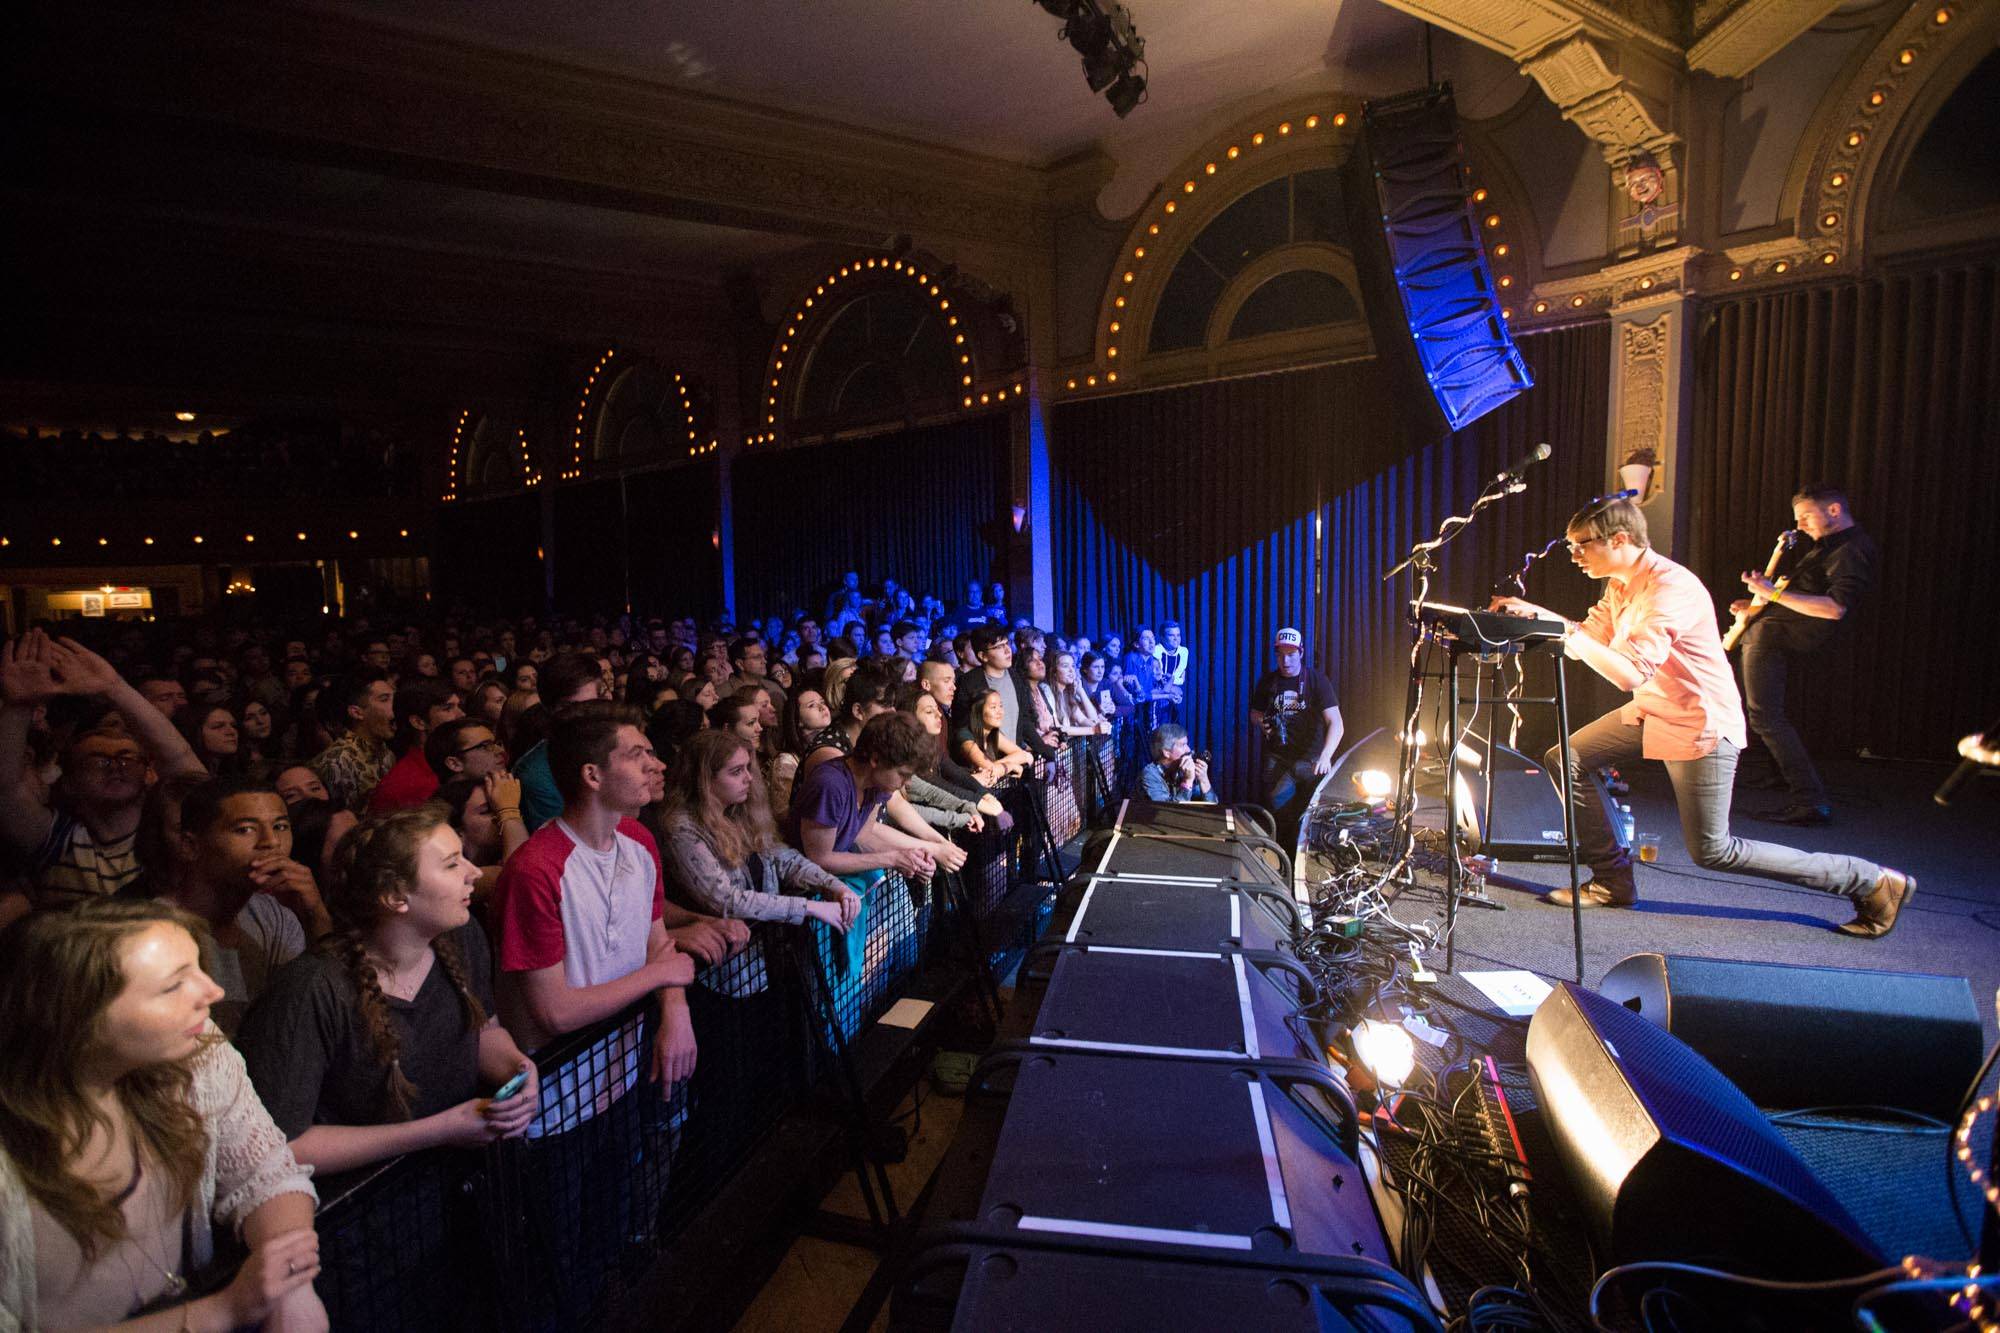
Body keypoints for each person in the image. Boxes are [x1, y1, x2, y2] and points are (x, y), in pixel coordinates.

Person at [1490, 497, 1913, 936]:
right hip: (1655, 708)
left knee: (1714, 849)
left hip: (1699, 720)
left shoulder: (1669, 587)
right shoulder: (1620, 584)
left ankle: (1870, 880)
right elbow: (1592, 639)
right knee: (1568, 757)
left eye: (1582, 545)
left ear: (1620, 539)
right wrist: (1536, 616)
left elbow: (1627, 673)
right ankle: (1612, 882)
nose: (1574, 556)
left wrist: (1561, 628)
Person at [0, 898, 326, 1331]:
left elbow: (265, 1172)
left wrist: (290, 1286)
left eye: (197, 968)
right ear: (77, 1021)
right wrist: (220, 1312)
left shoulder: (194, 1055)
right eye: (174, 986)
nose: (213, 993)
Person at [239, 807, 538, 1201]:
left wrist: (518, 1067)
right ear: (395, 896)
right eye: (451, 865)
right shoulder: (312, 989)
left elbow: (483, 1030)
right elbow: (283, 1146)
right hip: (368, 1214)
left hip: (459, 1192)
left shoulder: (460, 939)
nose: (475, 872)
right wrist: (438, 1130)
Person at [492, 702, 746, 1127]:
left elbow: (657, 942)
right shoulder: (535, 869)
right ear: (592, 775)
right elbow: (555, 1012)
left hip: (625, 1070)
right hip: (557, 1100)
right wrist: (663, 976)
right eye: (637, 756)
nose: (656, 765)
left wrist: (675, 1009)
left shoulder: (638, 838)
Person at [1, 630, 208, 906]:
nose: (115, 767)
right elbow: (5, 787)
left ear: (148, 774)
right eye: (98, 760)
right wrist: (18, 704)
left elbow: (187, 771)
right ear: (69, 780)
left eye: (127, 758)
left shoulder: (166, 839)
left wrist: (114, 688)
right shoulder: (55, 839)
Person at [120, 776, 328, 1034]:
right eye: (245, 829)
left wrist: (315, 913)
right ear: (191, 846)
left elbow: (312, 1014)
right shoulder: (153, 932)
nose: (271, 842)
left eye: (281, 826)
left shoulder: (275, 917)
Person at [1731, 484, 1880, 825]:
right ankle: (1782, 777)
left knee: (1765, 717)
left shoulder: (1851, 549)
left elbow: (1835, 607)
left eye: (1806, 517)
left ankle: (1810, 801)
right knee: (1771, 715)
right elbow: (1804, 596)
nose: (1800, 526)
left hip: (1776, 640)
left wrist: (1772, 596)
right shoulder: (1826, 548)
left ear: (1833, 511)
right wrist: (1758, 604)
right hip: (1773, 633)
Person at [656, 730, 861, 931]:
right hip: (729, 953)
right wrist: (808, 907)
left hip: (764, 941)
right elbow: (724, 899)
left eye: (747, 768)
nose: (749, 778)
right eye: (736, 771)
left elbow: (785, 858)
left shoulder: (739, 810)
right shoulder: (682, 829)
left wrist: (833, 885)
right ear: (704, 780)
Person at [785, 713, 941, 880]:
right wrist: (892, 859)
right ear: (875, 759)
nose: (908, 783)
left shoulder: (877, 787)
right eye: (903, 774)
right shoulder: (830, 785)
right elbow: (820, 859)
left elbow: (862, 838)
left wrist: (909, 857)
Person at [1248, 628, 1343, 842]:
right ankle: (1282, 863)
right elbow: (1254, 713)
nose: (1285, 660)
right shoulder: (1268, 681)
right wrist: (1262, 724)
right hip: (1278, 761)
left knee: (1311, 820)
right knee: (1279, 819)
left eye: (1291, 654)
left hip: (1311, 761)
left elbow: (1336, 722)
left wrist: (1326, 755)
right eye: (1280, 655)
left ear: (1301, 652)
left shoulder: (1316, 680)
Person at [364, 679, 464, 815]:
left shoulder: (452, 762)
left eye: (459, 706)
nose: (461, 715)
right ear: (419, 722)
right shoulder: (403, 785)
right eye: (448, 709)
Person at [308, 669, 396, 814]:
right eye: (385, 699)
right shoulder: (336, 761)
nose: (395, 705)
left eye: (394, 698)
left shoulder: (387, 753)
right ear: (357, 712)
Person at [1139, 723, 1213, 803]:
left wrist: (1204, 780)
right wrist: (1187, 781)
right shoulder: (1150, 775)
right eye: (1182, 745)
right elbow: (1168, 813)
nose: (1188, 750)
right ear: (1166, 752)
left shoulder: (1182, 771)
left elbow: (1213, 811)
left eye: (1187, 744)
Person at [178, 704, 243, 777]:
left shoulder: (235, 770)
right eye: (218, 726)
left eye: (234, 726)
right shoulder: (187, 774)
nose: (232, 732)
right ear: (196, 733)